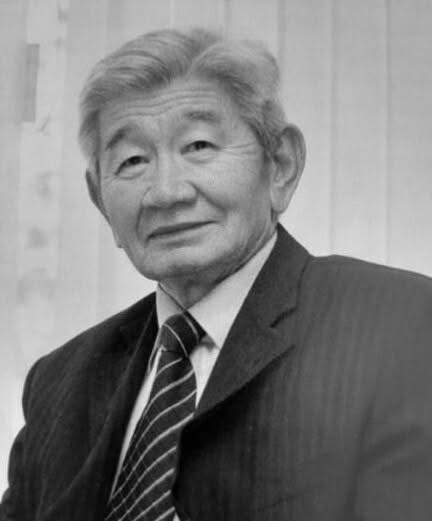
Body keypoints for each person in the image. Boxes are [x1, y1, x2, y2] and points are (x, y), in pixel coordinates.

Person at [1, 27, 432, 521]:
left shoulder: (401, 325)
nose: (167, 192)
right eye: (132, 161)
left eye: (199, 145)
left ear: (280, 166)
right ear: (100, 200)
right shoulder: (59, 381)